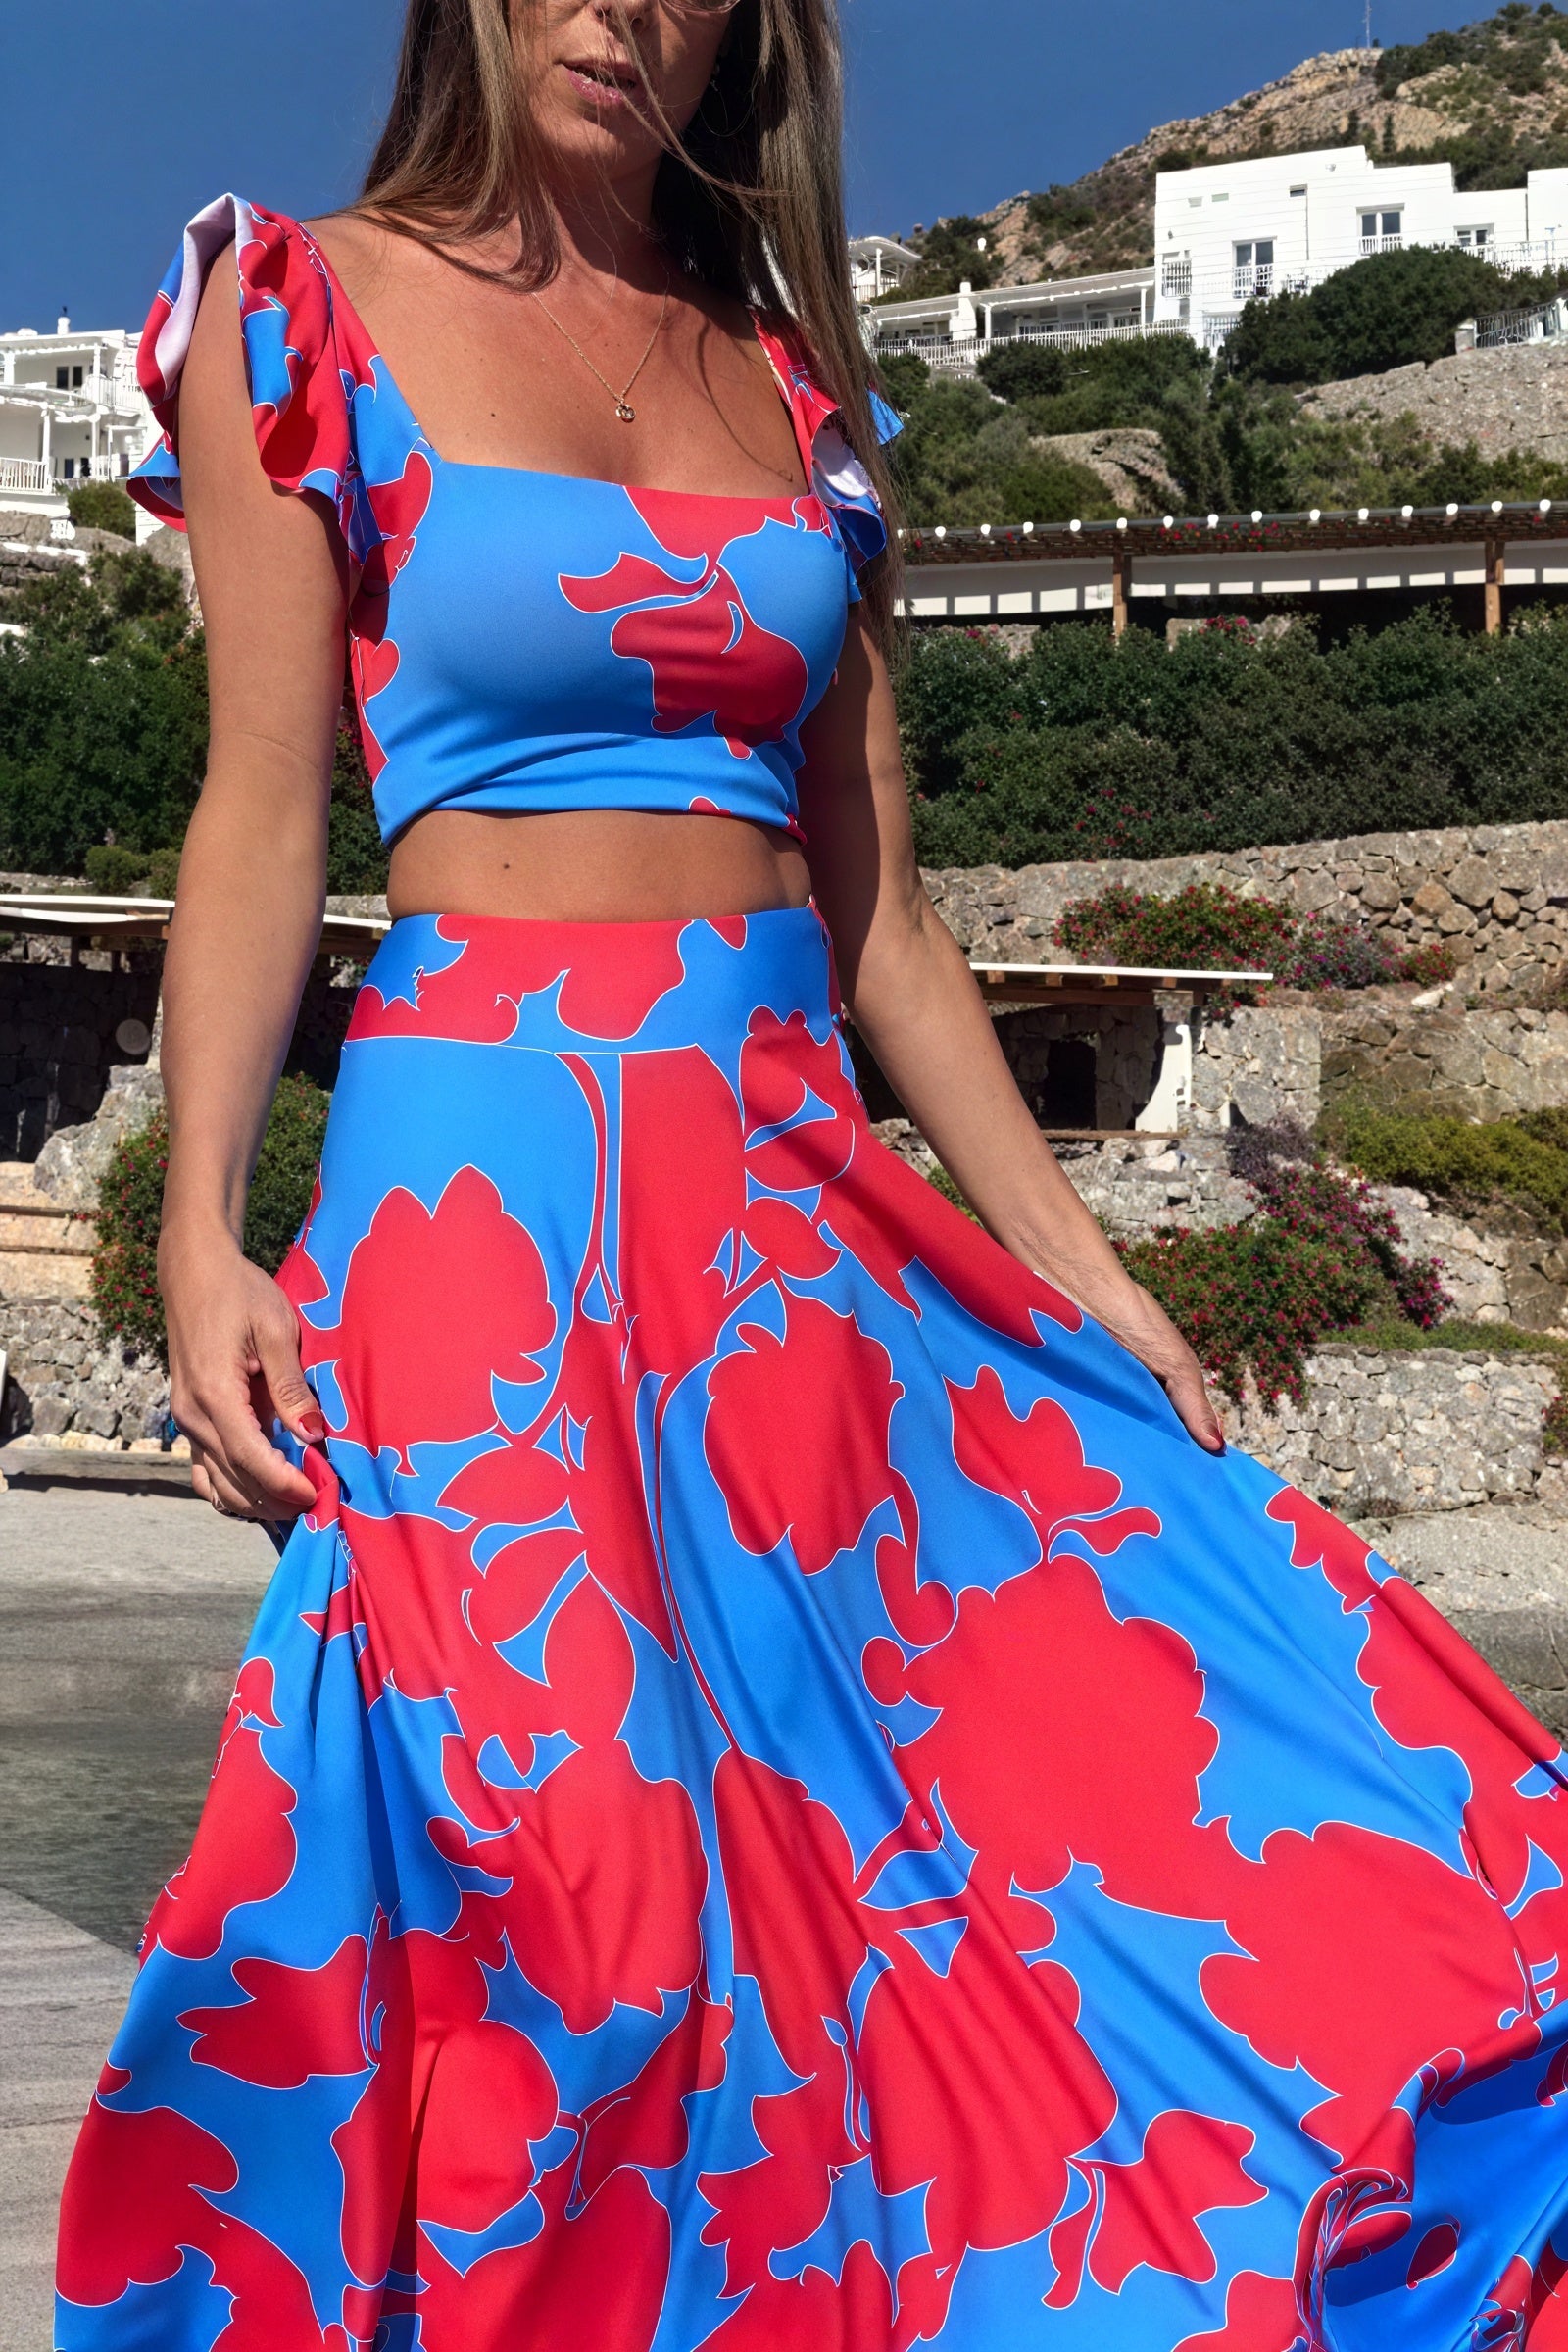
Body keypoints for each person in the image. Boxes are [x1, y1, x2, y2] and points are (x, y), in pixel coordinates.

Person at [54, 2, 1568, 2345]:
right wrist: (194, 1231)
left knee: (966, 1810)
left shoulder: (789, 376)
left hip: (782, 1204)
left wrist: (1080, 1273)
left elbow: (886, 923)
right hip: (481, 1206)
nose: (618, 17)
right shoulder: (298, 304)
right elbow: (259, 818)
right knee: (582, 1876)